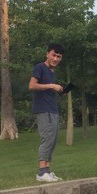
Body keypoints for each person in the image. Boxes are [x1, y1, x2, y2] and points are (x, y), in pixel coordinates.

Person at [29, 43, 65, 182]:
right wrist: (51, 86)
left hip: (52, 109)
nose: (55, 59)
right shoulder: (40, 67)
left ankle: (48, 171)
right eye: (53, 55)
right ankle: (41, 172)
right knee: (47, 138)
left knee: (52, 140)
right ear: (47, 54)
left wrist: (58, 90)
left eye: (59, 56)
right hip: (43, 109)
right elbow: (32, 85)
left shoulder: (51, 72)